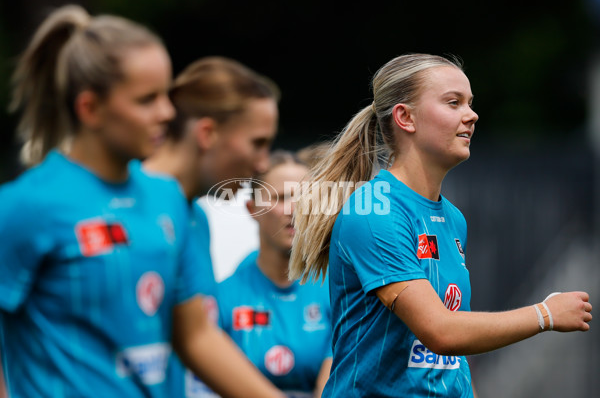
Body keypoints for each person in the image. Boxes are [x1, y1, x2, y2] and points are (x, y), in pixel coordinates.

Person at [0, 6, 282, 398]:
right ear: (90, 109)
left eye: (166, 95)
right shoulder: (25, 206)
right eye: (147, 99)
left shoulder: (167, 200)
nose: (167, 112)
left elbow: (197, 337)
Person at [288, 53, 593, 397]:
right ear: (406, 117)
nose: (472, 114)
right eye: (454, 102)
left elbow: (450, 356)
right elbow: (441, 332)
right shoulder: (374, 212)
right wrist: (544, 315)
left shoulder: (452, 218)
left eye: (470, 103)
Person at [143, 56, 280, 397]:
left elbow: (198, 339)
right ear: (207, 133)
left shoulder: (192, 217)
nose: (263, 163)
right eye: (257, 143)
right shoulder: (116, 203)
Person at [218, 150, 332, 398]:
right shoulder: (222, 297)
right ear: (252, 208)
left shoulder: (338, 291)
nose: (294, 209)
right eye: (280, 198)